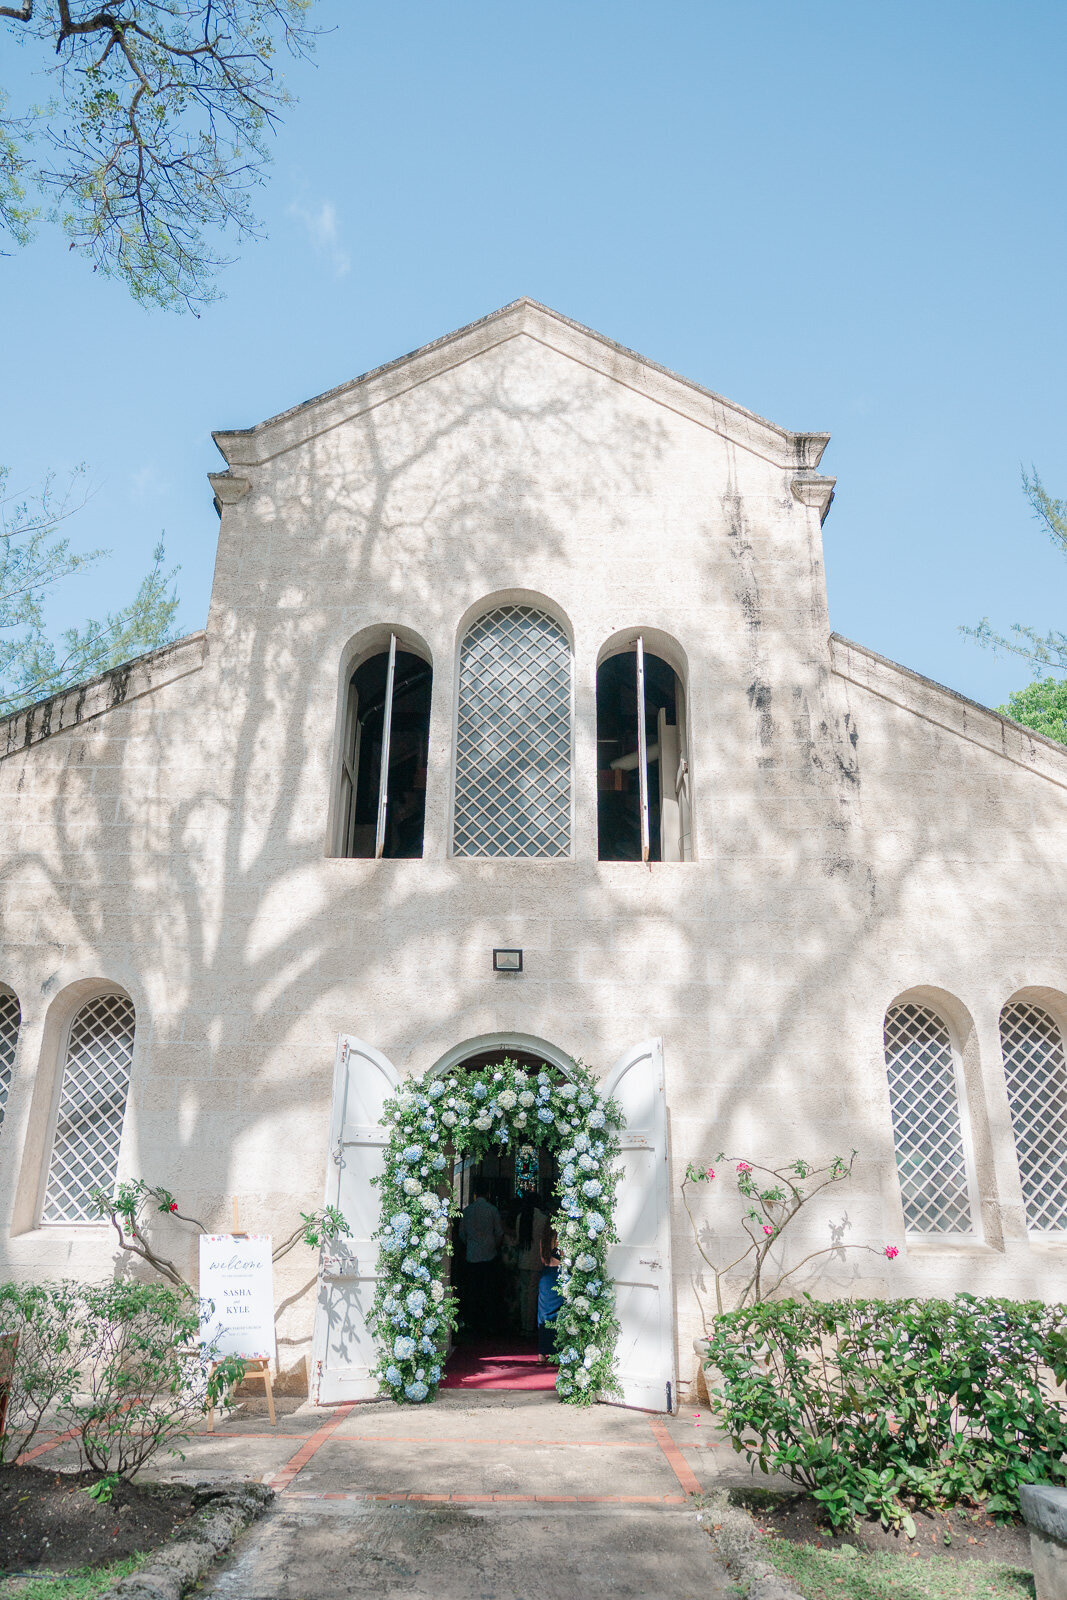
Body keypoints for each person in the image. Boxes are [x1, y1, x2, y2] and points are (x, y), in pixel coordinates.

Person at [459, 1182, 503, 1336]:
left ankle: (472, 1322)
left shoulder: (467, 1211)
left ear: (474, 1194)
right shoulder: (492, 1210)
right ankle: (488, 1323)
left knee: (473, 1291)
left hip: (472, 1255)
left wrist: (470, 1244)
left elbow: (462, 1233)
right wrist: (493, 1246)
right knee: (488, 1291)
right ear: (488, 1194)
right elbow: (499, 1232)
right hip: (489, 1255)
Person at [515, 1192, 548, 1337]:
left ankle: (524, 1323)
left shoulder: (520, 1217)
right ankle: (531, 1325)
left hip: (523, 1259)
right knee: (533, 1292)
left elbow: (518, 1239)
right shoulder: (543, 1218)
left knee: (524, 1292)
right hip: (537, 1260)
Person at [537, 1226, 563, 1364]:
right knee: (558, 1315)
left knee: (543, 1315)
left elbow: (542, 1259)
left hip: (546, 1276)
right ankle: (555, 1352)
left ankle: (541, 1353)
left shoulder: (544, 1239)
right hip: (557, 1276)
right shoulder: (561, 1239)